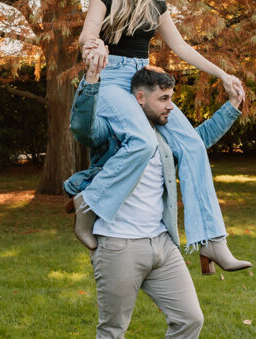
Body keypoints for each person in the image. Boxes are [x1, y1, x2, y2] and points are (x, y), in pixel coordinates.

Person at [72, 0, 250, 272]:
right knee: (141, 142)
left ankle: (212, 240)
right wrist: (93, 47)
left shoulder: (156, 2)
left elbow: (181, 47)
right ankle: (88, 204)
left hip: (141, 79)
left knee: (193, 146)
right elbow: (88, 33)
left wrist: (222, 75)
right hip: (110, 79)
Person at [70, 61, 244, 338]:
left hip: (162, 244)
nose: (170, 106)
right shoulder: (113, 133)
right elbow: (83, 129)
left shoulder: (164, 136)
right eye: (163, 99)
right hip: (119, 245)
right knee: (112, 331)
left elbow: (197, 141)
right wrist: (91, 81)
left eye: (171, 99)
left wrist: (232, 106)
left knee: (190, 320)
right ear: (140, 98)